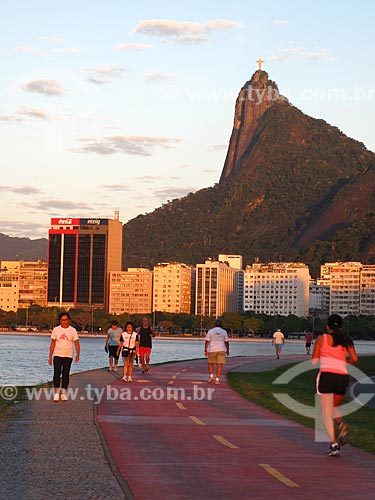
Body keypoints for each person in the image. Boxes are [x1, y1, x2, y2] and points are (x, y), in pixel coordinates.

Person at [312, 314, 358, 457]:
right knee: (333, 408)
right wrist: (344, 363)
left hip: (327, 376)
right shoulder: (347, 341)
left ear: (327, 326)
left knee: (325, 413)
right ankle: (341, 425)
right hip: (342, 377)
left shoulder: (321, 339)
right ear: (341, 327)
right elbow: (355, 359)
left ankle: (334, 445)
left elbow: (314, 360)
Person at [48, 312, 80, 402]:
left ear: (68, 320)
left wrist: (78, 354)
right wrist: (50, 356)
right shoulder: (56, 330)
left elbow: (76, 343)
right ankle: (56, 393)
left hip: (68, 355)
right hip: (57, 354)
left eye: (65, 320)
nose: (64, 322)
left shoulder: (72, 330)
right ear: (59, 321)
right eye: (62, 320)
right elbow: (53, 343)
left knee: (66, 374)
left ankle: (63, 393)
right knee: (57, 374)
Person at [204, 318, 229, 385]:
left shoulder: (210, 331)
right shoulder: (224, 332)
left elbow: (207, 341)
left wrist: (205, 350)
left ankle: (211, 376)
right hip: (221, 349)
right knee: (219, 365)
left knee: (210, 364)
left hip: (212, 349)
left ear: (215, 324)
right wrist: (227, 350)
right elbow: (226, 342)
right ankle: (217, 379)